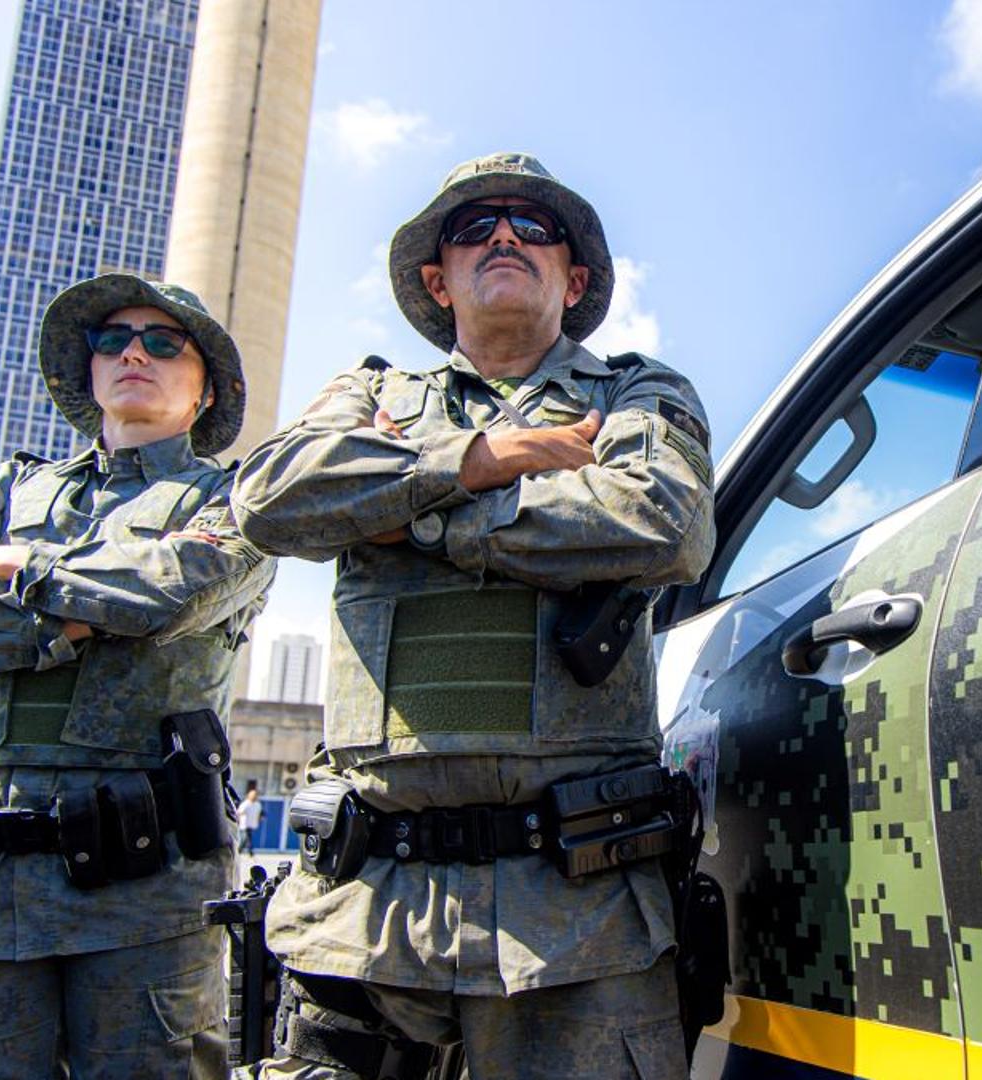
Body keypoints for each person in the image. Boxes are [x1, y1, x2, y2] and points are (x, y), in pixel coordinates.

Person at [230, 152, 716, 1079]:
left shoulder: (634, 395)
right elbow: (272, 499)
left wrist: (411, 507)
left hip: (577, 919)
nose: (504, 237)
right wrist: (492, 455)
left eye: (534, 228)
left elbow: (666, 521)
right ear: (436, 277)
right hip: (363, 909)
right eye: (474, 228)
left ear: (573, 279)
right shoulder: (369, 397)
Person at [0, 274, 276, 1078]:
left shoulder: (237, 496)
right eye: (113, 340)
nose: (134, 351)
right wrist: (67, 622)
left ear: (206, 393)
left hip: (143, 890)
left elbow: (166, 591)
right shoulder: (12, 487)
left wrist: (18, 565)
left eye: (165, 343)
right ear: (90, 371)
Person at [241, 783, 265, 855]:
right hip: (245, 823)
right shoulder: (246, 804)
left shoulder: (257, 804)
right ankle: (250, 852)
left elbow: (261, 812)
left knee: (246, 838)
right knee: (248, 838)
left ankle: (240, 849)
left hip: (252, 823)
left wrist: (261, 817)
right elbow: (240, 812)